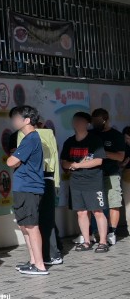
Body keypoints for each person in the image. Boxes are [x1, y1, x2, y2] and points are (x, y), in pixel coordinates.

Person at [6, 106, 48, 276]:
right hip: (23, 187)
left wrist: (14, 157)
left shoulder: (31, 138)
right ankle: (33, 261)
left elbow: (10, 161)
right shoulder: (26, 139)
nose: (13, 121)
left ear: (27, 120)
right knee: (25, 226)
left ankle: (40, 265)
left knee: (31, 226)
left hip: (29, 187)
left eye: (16, 117)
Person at [61, 113, 109, 253]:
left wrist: (78, 165)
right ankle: (86, 241)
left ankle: (103, 242)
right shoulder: (69, 142)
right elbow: (64, 162)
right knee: (81, 212)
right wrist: (72, 165)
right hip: (76, 181)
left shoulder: (95, 140)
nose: (77, 123)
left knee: (98, 211)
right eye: (75, 121)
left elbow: (99, 160)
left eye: (80, 121)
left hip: (93, 181)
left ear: (87, 123)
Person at [18, 123, 63, 265]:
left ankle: (43, 258)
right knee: (45, 220)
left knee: (33, 222)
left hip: (32, 181)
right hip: (47, 178)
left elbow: (19, 160)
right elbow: (54, 158)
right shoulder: (48, 133)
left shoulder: (25, 134)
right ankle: (49, 255)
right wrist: (56, 182)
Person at [90, 108, 125, 247]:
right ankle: (93, 232)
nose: (95, 124)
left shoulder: (116, 135)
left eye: (98, 121)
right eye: (93, 121)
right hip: (93, 175)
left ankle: (112, 232)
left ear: (105, 120)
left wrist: (103, 153)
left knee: (114, 203)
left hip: (111, 173)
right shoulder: (91, 134)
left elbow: (120, 156)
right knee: (93, 205)